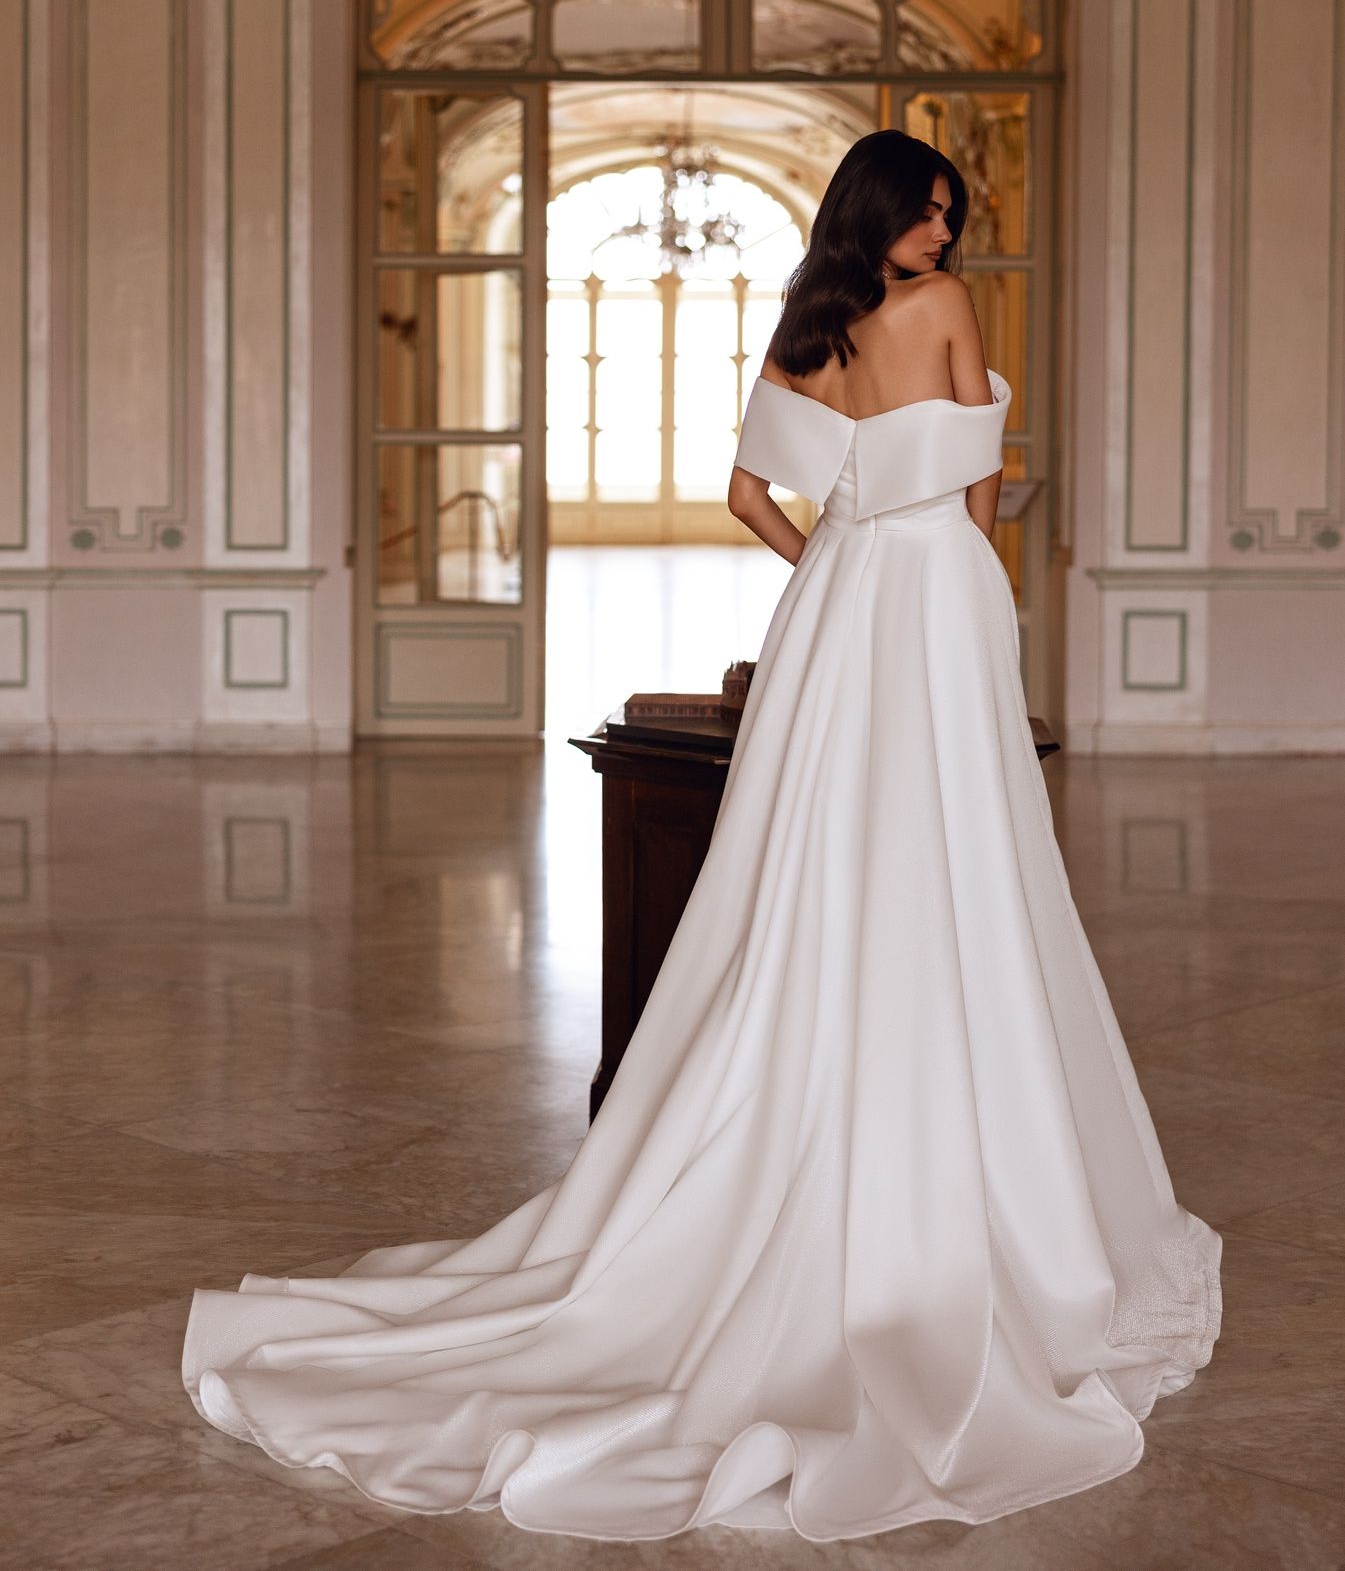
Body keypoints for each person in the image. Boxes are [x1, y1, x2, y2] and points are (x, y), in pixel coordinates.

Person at [182, 128, 1222, 1542]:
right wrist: (969, 586)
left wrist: (839, 566)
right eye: (922, 211)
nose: (937, 232)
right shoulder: (944, 313)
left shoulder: (809, 330)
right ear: (882, 214)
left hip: (836, 612)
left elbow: (748, 497)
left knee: (809, 869)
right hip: (931, 599)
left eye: (946, 214)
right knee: (959, 854)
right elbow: (982, 478)